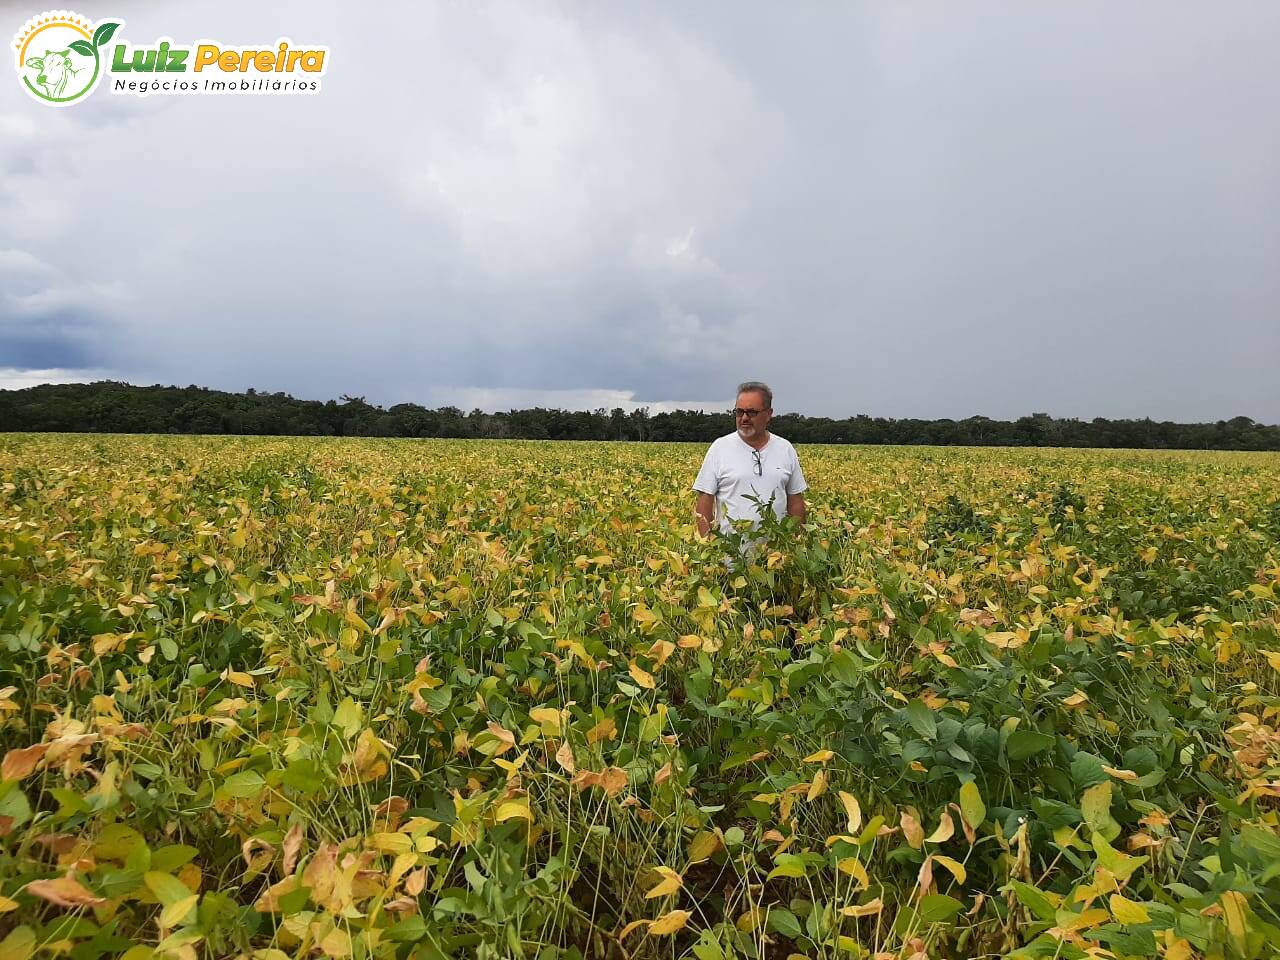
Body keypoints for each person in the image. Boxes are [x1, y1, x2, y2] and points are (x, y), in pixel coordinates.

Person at [693, 381, 808, 542]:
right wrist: (709, 544)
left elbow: (795, 500)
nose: (744, 418)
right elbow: (704, 500)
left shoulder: (785, 448)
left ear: (769, 414)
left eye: (752, 412)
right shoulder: (720, 448)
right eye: (739, 412)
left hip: (777, 558)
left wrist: (797, 542)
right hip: (730, 558)